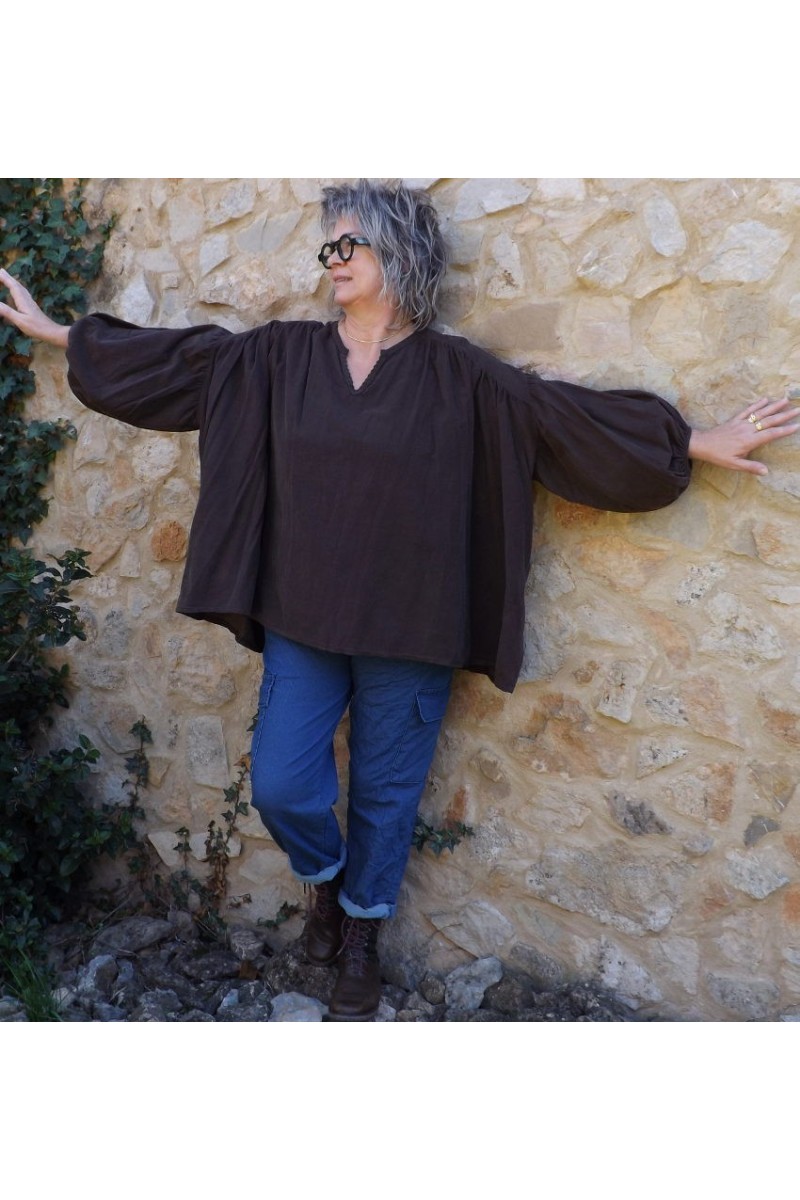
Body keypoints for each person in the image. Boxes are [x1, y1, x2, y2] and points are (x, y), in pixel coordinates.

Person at [1, 180, 797, 1022]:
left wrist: (695, 440)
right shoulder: (277, 357)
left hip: (414, 624)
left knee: (386, 796)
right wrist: (64, 334)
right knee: (281, 783)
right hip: (303, 616)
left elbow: (564, 419)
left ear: (399, 252)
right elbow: (179, 361)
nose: (332, 260)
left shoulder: (464, 377)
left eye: (348, 244)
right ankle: (323, 881)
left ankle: (360, 937)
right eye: (328, 247)